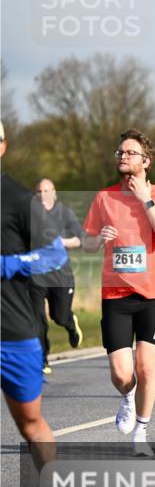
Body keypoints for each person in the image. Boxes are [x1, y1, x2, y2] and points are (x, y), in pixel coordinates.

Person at [81, 129, 155, 456]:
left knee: (146, 367)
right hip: (115, 297)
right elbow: (87, 242)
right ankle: (128, 397)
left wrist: (145, 199)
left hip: (151, 296)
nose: (123, 156)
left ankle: (141, 432)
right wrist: (98, 239)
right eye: (120, 152)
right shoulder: (104, 198)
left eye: (130, 152)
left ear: (146, 161)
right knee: (122, 374)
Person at [1, 121, 64, 468]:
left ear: (2, 147)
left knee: (30, 424)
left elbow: (55, 254)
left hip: (12, 331)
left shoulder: (20, 200)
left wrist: (8, 265)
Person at [30, 179, 85, 374]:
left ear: (54, 193)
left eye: (47, 191)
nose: (43, 195)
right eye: (39, 191)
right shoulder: (29, 215)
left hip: (60, 275)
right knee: (37, 320)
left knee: (59, 316)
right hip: (35, 275)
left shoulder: (64, 213)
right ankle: (42, 360)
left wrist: (60, 242)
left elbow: (81, 239)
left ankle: (70, 323)